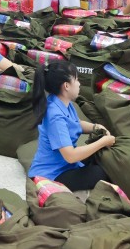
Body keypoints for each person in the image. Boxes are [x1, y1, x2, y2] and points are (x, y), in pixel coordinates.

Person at [28, 61, 115, 190]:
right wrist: (103, 142)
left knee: (103, 158)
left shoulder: (62, 102)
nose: (79, 84)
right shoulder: (55, 116)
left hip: (65, 165)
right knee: (101, 173)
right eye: (77, 79)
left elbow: (75, 123)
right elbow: (71, 156)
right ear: (66, 86)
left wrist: (95, 127)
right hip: (51, 175)